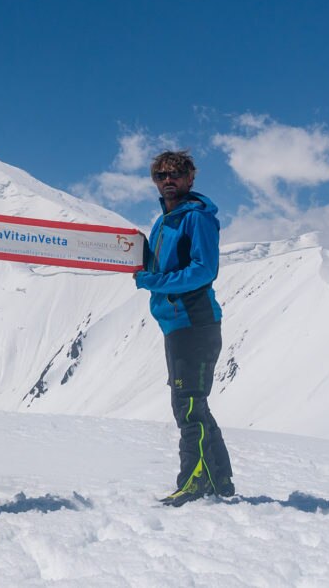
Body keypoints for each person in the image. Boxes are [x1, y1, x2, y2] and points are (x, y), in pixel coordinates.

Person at [134, 150, 234, 506]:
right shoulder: (164, 222)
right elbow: (162, 263)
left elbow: (203, 270)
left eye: (175, 172)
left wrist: (154, 281)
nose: (168, 179)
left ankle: (194, 483)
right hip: (177, 323)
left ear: (191, 177)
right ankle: (220, 480)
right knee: (195, 403)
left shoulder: (197, 218)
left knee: (188, 405)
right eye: (160, 175)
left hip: (195, 321)